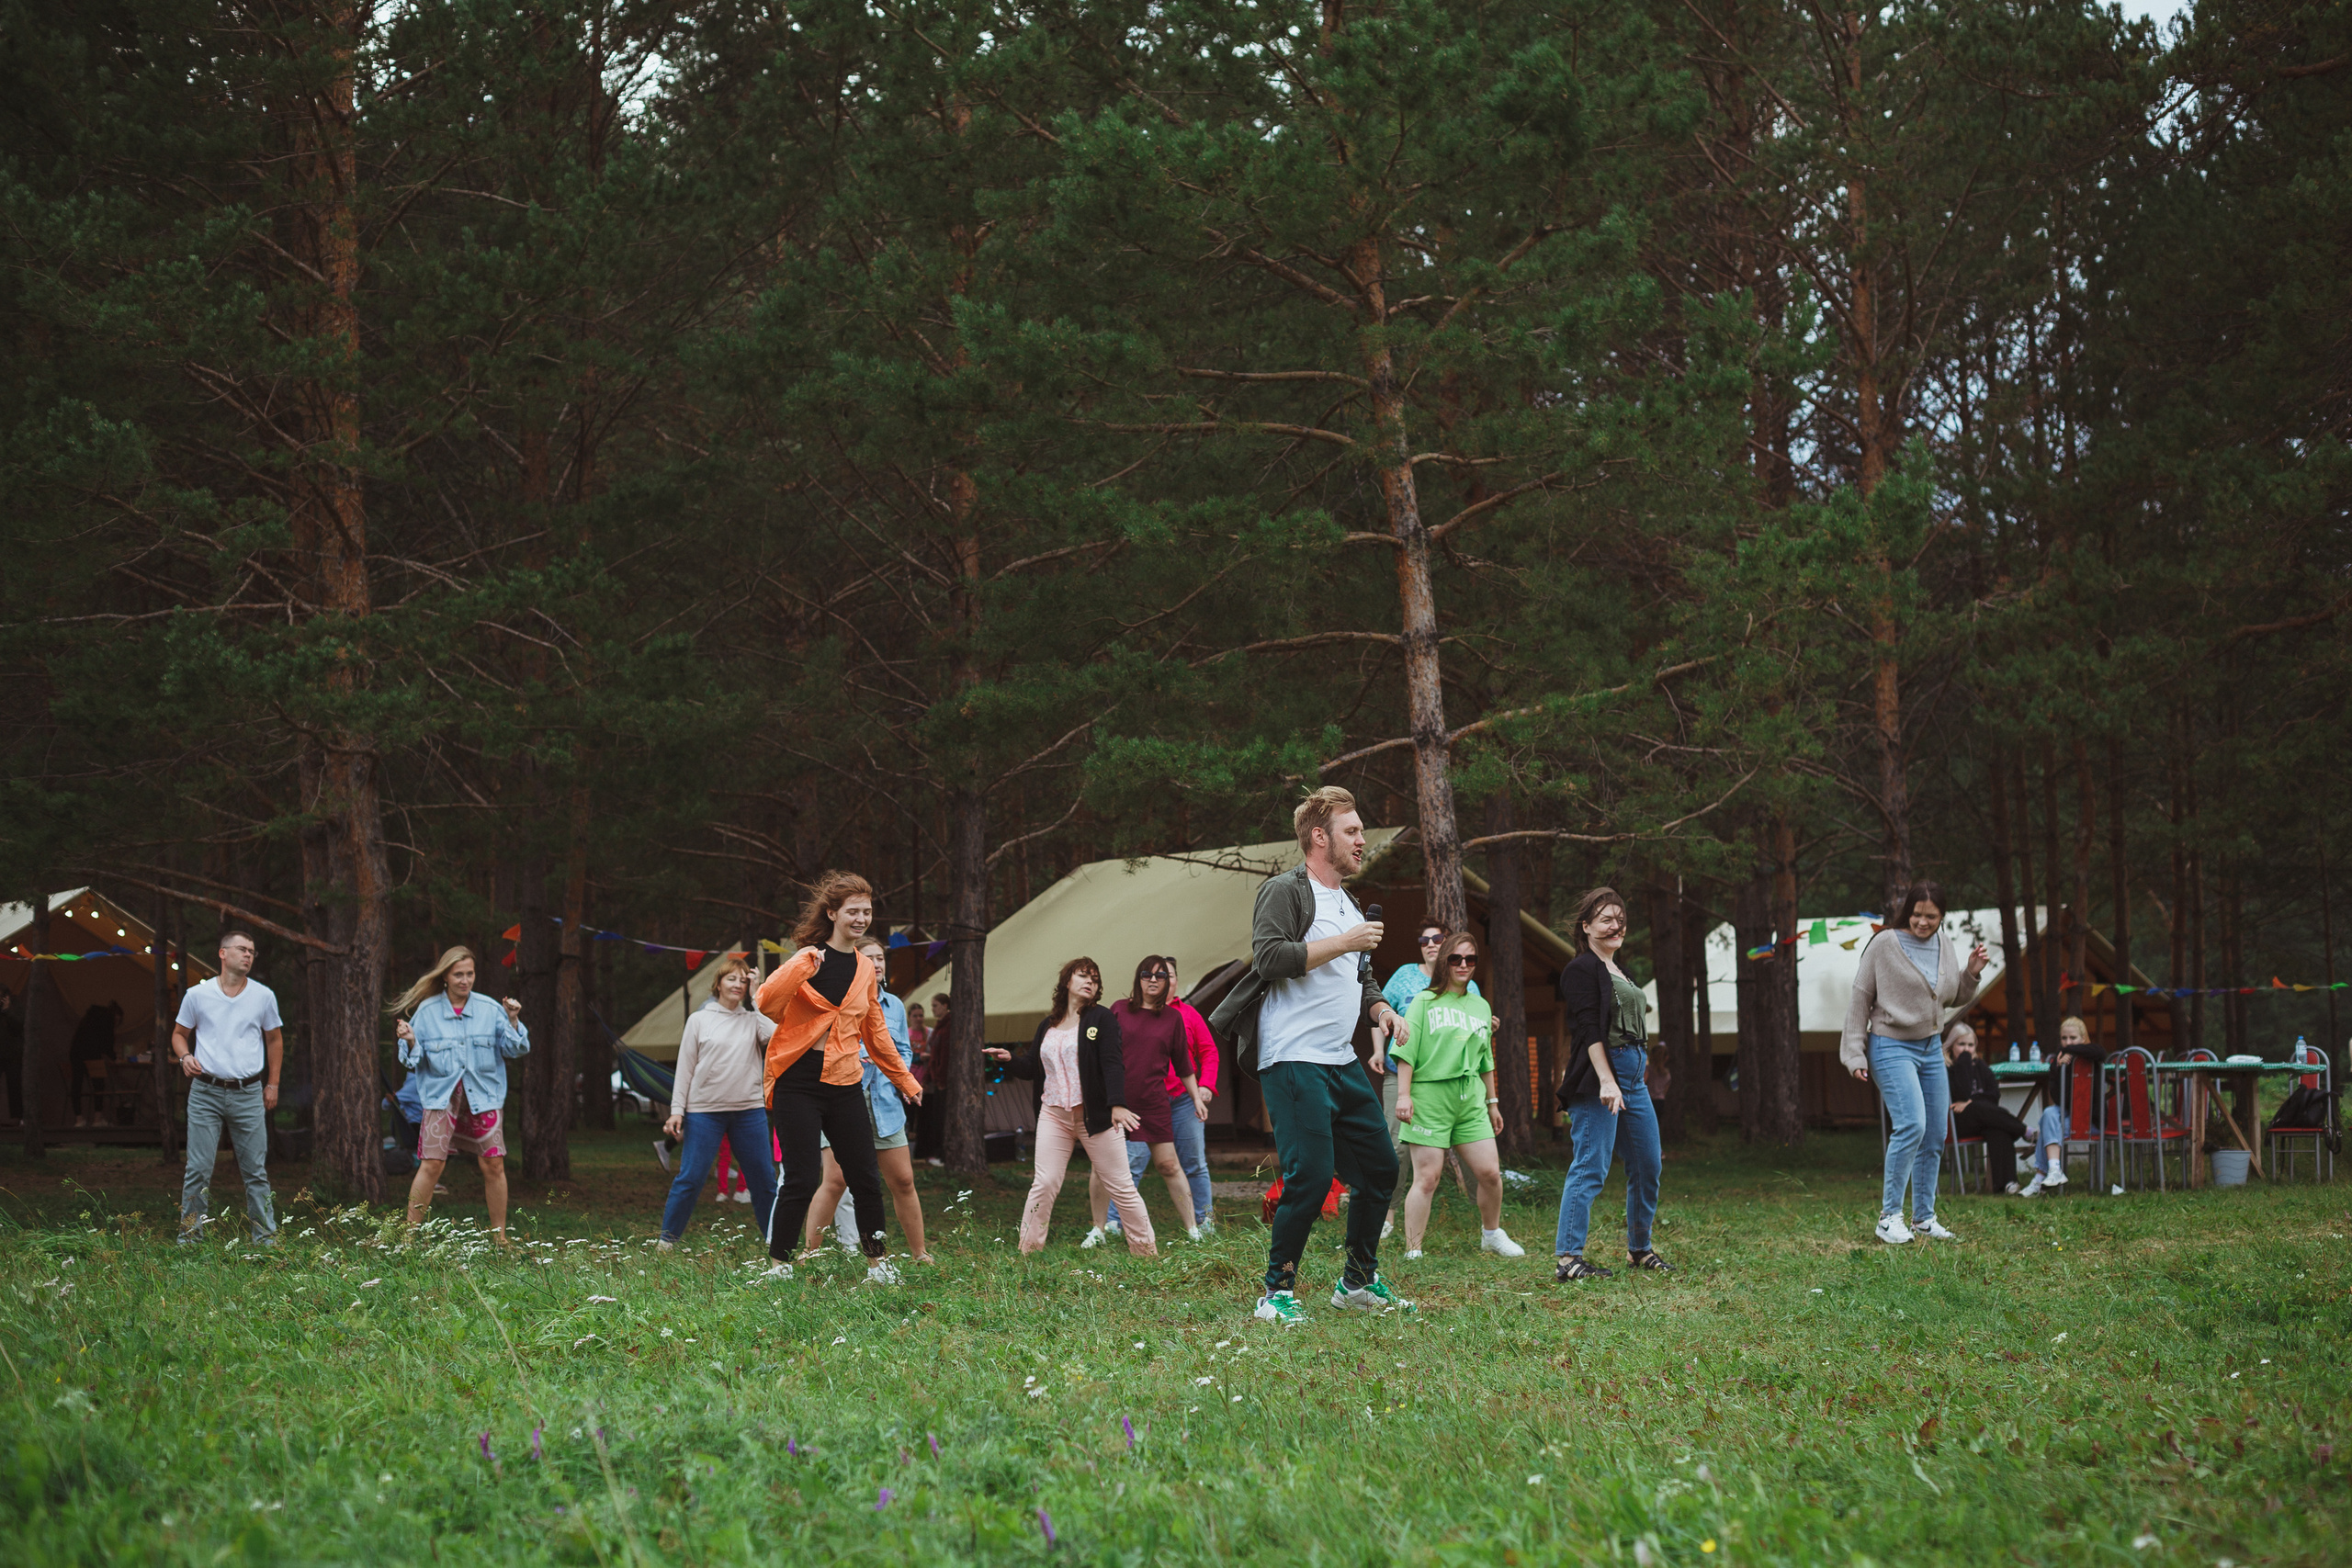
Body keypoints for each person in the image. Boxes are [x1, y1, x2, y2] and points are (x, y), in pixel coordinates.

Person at [1207, 784, 1412, 1325]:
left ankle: (1358, 1282)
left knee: (1379, 1168)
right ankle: (1276, 1294)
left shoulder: (1345, 901)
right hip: (1292, 1055)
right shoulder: (1286, 890)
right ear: (1319, 837)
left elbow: (1361, 979)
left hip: (1338, 1058)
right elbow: (1270, 956)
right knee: (1312, 1175)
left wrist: (1383, 1013)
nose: (1362, 841)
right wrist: (1347, 942)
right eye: (1352, 831)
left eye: (1361, 831)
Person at [752, 873, 922, 1284]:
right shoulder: (808, 959)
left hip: (845, 1080)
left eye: (866, 912)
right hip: (799, 1080)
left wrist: (906, 1081)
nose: (861, 919)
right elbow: (767, 1003)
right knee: (802, 1175)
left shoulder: (866, 969)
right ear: (833, 914)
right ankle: (779, 1265)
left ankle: (878, 1266)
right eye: (853, 912)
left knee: (864, 1174)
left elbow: (876, 1033)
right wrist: (802, 965)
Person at [1839, 880, 1990, 1244]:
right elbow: (1861, 998)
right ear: (1907, 911)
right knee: (1911, 1125)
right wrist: (1854, 1053)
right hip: (1891, 1046)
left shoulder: (1944, 944)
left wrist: (1969, 973)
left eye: (1931, 917)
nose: (1923, 923)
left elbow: (1951, 997)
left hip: (1930, 1048)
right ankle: (1889, 1216)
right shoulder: (1884, 944)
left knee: (1936, 1132)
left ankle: (1924, 1218)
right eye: (1918, 915)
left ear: (1941, 917)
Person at [985, 956, 1158, 1255]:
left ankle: (1145, 1252)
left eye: (1094, 978)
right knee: (1044, 1182)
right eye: (1083, 976)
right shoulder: (1047, 1025)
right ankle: (1028, 1251)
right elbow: (1032, 1069)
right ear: (1068, 982)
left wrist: (1117, 1104)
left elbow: (1113, 1064)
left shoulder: (1102, 1019)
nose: (1090, 981)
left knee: (1121, 1185)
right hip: (1054, 1114)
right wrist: (1010, 1060)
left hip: (1097, 1117)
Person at [1551, 890, 1666, 1281]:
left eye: (1620, 918)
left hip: (1634, 1078)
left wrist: (1637, 1070)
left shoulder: (1621, 969)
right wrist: (1607, 1080)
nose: (1615, 925)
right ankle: (1568, 1258)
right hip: (1603, 1076)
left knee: (1648, 1164)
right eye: (1605, 919)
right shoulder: (1581, 968)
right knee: (1591, 1166)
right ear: (1586, 927)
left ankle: (1639, 1249)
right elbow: (1588, 1029)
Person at [1393, 931, 1525, 1258]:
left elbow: (1485, 1060)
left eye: (1470, 959)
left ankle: (1491, 1234)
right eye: (1456, 959)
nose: (1463, 965)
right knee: (1427, 1177)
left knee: (1490, 1173)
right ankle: (1414, 1249)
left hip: (1470, 1100)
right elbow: (1406, 1050)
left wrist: (1492, 1103)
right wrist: (1403, 1096)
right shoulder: (1424, 1001)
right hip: (1429, 1097)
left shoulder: (1481, 1006)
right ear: (1445, 962)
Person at [800, 936, 933, 1264]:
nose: (876, 963)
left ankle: (920, 1254)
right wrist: (864, 1054)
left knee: (903, 1180)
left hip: (885, 1105)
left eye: (881, 958)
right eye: (869, 957)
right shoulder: (839, 998)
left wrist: (901, 1078)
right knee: (835, 1180)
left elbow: (902, 1049)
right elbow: (827, 1045)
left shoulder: (896, 1006)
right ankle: (808, 1254)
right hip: (843, 1100)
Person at [392, 945, 530, 1243]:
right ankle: (408, 1238)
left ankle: (500, 1239)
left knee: (493, 1164)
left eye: (470, 974)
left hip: (483, 1097)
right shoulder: (427, 1013)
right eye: (458, 975)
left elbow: (515, 1049)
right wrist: (412, 1040)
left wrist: (514, 1020)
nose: (465, 981)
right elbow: (410, 1060)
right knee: (431, 1163)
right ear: (445, 977)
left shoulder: (491, 1009)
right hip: (441, 1098)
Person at [171, 930, 283, 1247]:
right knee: (198, 1169)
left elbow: (274, 1040)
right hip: (205, 1092)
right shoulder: (198, 994)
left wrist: (272, 1084)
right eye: (242, 949)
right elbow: (179, 1034)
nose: (248, 955)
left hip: (248, 1092)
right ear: (223, 954)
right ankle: (190, 1238)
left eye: (252, 951)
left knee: (255, 1171)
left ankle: (265, 1239)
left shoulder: (263, 996)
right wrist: (185, 1056)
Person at [658, 955, 779, 1247]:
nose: (738, 984)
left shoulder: (752, 1019)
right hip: (704, 1113)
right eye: (732, 978)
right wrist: (677, 1112)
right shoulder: (700, 1020)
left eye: (743, 979)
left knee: (764, 1180)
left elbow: (776, 1035)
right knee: (691, 1178)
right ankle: (666, 1243)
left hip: (748, 1111)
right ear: (718, 984)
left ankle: (777, 1244)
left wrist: (757, 996)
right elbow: (685, 1068)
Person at [1087, 956, 1207, 1245]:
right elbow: (1096, 1052)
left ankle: (1193, 1229)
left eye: (1160, 975)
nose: (1153, 980)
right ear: (1138, 979)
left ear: (1168, 982)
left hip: (1153, 1103)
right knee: (1102, 1167)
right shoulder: (1117, 1010)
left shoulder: (1173, 1018)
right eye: (1146, 974)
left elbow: (1183, 1064)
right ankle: (1098, 1230)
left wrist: (1197, 1098)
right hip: (1114, 1101)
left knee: (1168, 1165)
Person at [1381, 923, 1479, 1147]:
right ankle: (1395, 1184)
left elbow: (1473, 1030)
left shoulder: (1468, 985)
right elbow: (1380, 1012)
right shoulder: (1407, 976)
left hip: (1442, 1078)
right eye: (1424, 941)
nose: (1431, 945)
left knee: (1449, 1143)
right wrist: (1378, 1051)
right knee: (1397, 1146)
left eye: (1437, 939)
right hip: (1399, 1071)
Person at [1945, 1021, 2030, 1193]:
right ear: (1951, 1046)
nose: (1966, 1050)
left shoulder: (1981, 1066)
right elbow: (1961, 1094)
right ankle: (2024, 1130)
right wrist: (1963, 1063)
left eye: (1971, 1045)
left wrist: (1971, 1101)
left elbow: (1994, 1096)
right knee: (1978, 1108)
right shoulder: (1946, 1068)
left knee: (1997, 1128)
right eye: (1961, 1045)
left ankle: (2006, 1184)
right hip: (1956, 1123)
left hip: (1982, 1118)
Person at [2023, 1015, 2100, 1196]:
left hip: (2090, 1122)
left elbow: (2099, 1051)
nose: (2067, 1043)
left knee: (2045, 1126)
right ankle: (2053, 1170)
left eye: (2073, 1038)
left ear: (2083, 1039)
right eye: (2064, 1039)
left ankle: (2040, 1179)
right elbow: (2059, 1099)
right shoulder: (2060, 1061)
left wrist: (2070, 1050)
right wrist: (2057, 1069)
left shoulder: (2093, 1057)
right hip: (2067, 1118)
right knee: (2049, 1113)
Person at [69, 1001, 124, 1127]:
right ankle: (97, 1119)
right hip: (92, 1056)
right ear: (116, 1016)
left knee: (76, 1085)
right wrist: (114, 1058)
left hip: (76, 1053)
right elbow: (107, 1044)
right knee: (99, 1086)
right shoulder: (107, 1020)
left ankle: (79, 1119)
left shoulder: (89, 1018)